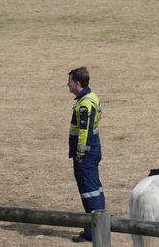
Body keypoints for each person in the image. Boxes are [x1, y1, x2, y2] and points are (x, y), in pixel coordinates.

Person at [67, 67, 104, 243]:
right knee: (95, 188)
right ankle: (101, 225)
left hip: (86, 154)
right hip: (94, 149)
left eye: (70, 81)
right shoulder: (91, 97)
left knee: (89, 191)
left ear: (78, 83)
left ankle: (93, 231)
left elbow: (84, 132)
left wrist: (80, 153)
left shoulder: (84, 104)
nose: (68, 84)